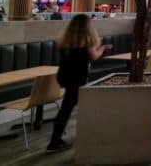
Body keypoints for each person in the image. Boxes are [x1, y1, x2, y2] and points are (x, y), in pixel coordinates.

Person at [47, 14, 111, 152]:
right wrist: (102, 49)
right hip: (78, 78)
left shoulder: (66, 41)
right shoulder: (86, 42)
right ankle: (56, 142)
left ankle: (56, 140)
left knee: (67, 109)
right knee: (73, 109)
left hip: (65, 77)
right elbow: (94, 56)